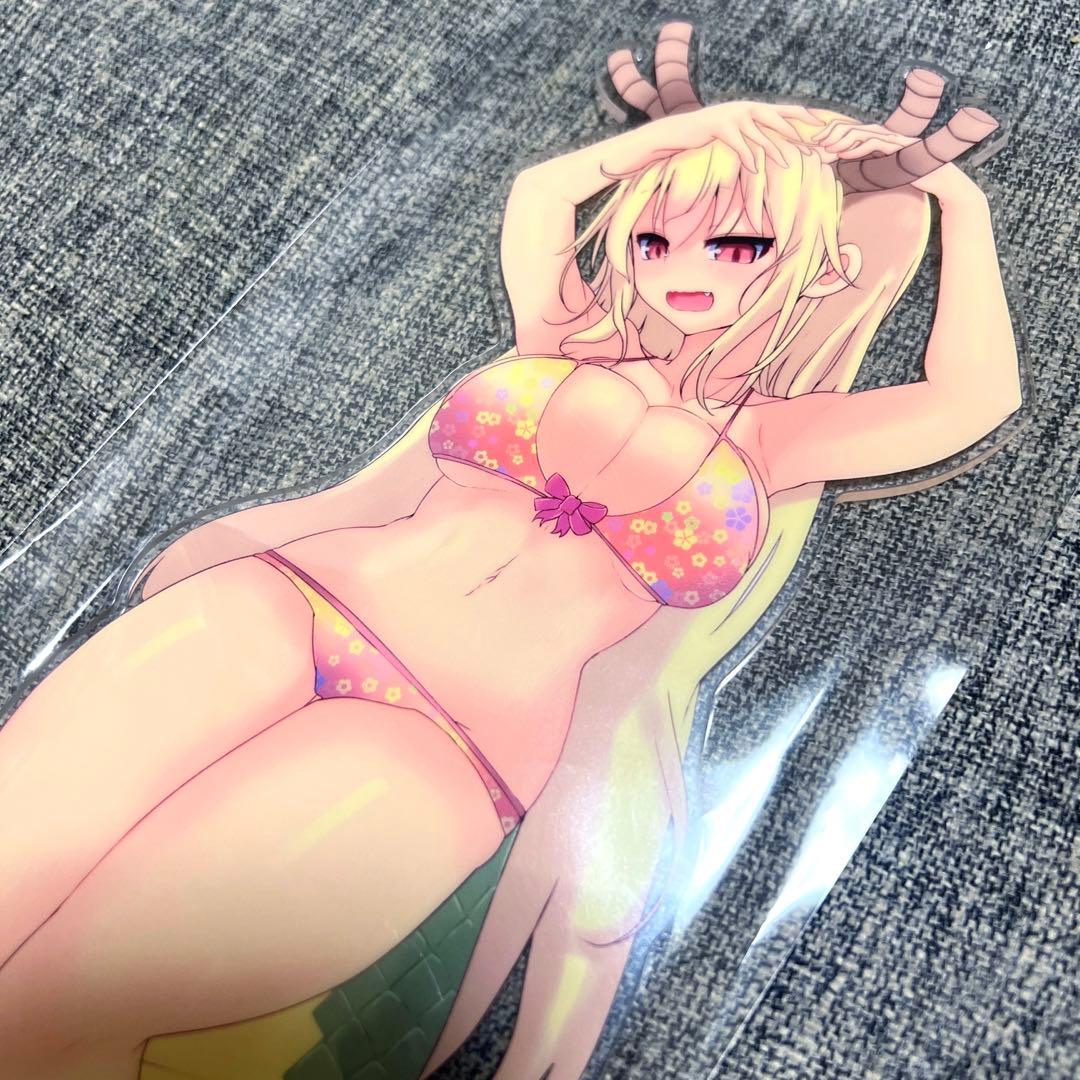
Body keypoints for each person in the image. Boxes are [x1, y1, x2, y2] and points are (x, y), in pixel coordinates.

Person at [0, 22, 1019, 1080]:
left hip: (451, 745)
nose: (682, 271)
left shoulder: (777, 440)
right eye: (654, 240)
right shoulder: (565, 333)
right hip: (285, 604)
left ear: (817, 267)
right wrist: (702, 132)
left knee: (74, 1011)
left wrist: (960, 203)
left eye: (736, 247)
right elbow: (543, 193)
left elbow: (975, 396)